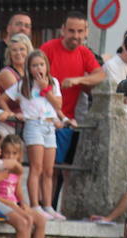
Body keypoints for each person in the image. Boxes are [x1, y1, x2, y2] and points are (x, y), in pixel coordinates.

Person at [38, 12, 105, 164]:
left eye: (80, 31)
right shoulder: (48, 48)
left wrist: (78, 80)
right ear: (63, 30)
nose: (76, 35)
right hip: (47, 118)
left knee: (65, 168)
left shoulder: (84, 53)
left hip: (68, 120)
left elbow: (101, 75)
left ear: (86, 32)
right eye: (71, 31)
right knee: (47, 169)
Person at [18, 50, 66, 219]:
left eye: (41, 64)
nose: (38, 68)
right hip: (33, 124)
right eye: (34, 65)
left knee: (48, 169)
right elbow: (3, 98)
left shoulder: (54, 82)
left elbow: (58, 104)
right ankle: (35, 204)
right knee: (36, 167)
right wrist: (14, 112)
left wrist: (46, 89)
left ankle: (48, 205)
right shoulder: (23, 84)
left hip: (49, 125)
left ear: (46, 66)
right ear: (29, 68)